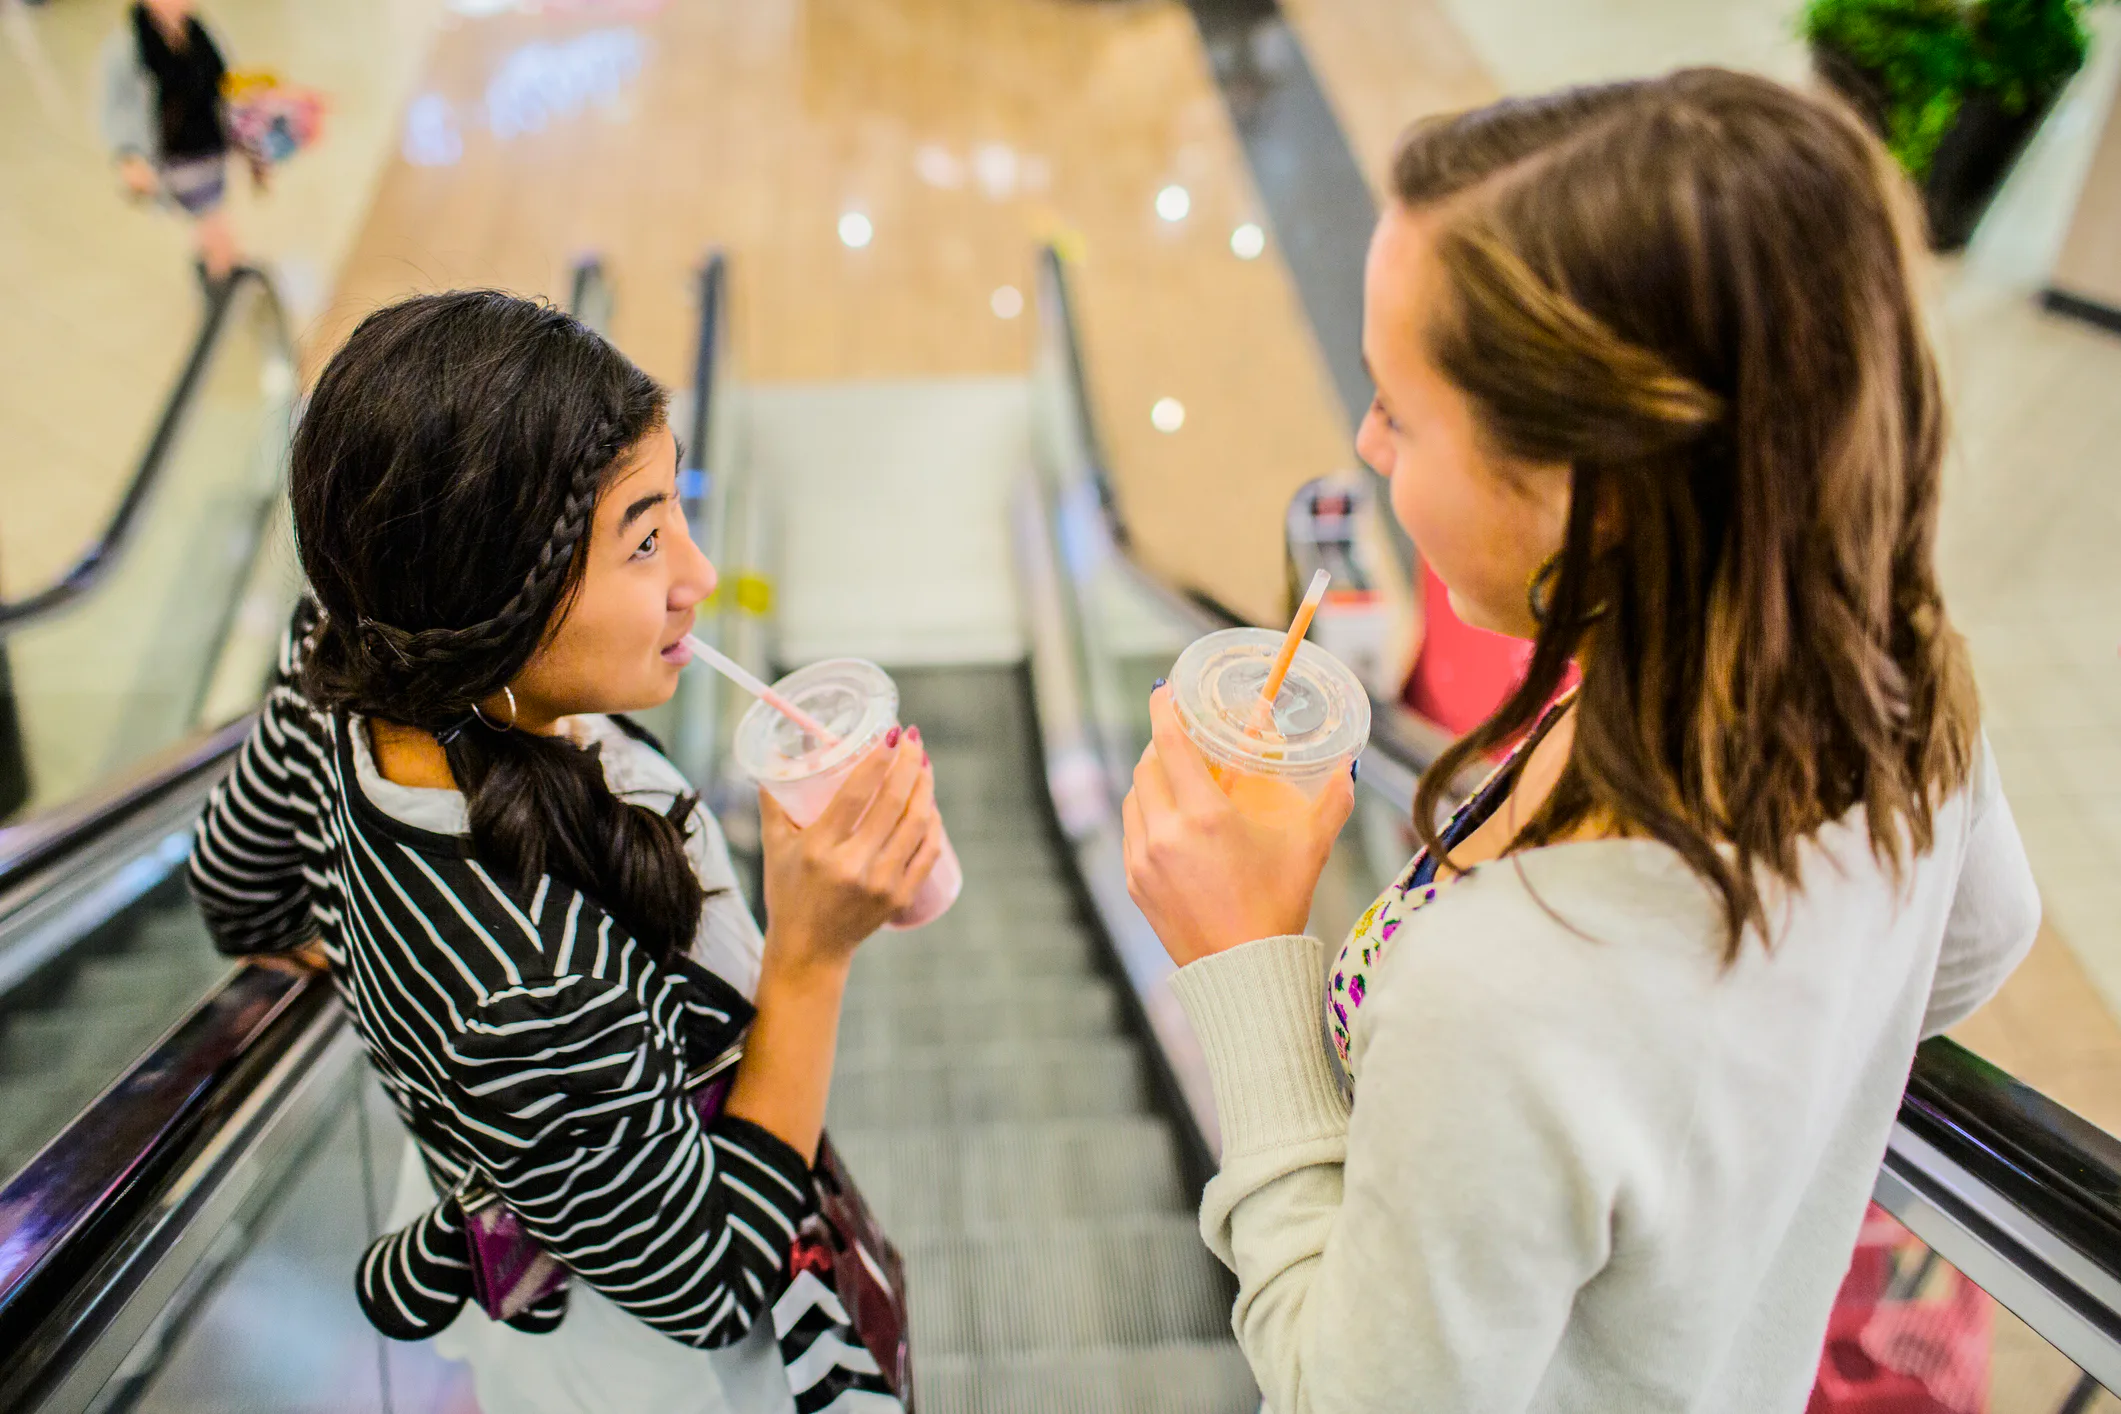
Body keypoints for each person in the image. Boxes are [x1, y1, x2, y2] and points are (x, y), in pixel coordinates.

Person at [1120, 69, 2041, 1413]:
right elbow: (1974, 941)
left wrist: (1246, 954)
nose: (1367, 444)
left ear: (1590, 491)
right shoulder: (1899, 681)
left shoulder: (1512, 983)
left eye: (1402, 408)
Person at [188, 291, 941, 1412]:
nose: (696, 574)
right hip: (668, 1364)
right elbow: (718, 1278)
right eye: (643, 540)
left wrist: (437, 1049)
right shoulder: (525, 990)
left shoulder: (338, 659)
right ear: (497, 602)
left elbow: (238, 894)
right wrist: (812, 953)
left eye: (675, 502)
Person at [99, 0, 252, 282]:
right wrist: (128, 156)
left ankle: (218, 268)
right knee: (214, 223)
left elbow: (223, 80)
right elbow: (113, 109)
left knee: (214, 218)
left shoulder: (200, 30)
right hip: (176, 158)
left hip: (212, 149)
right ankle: (223, 275)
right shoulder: (124, 48)